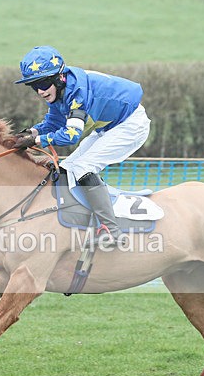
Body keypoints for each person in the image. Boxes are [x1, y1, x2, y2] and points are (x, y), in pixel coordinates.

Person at [13, 45, 151, 247]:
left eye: (43, 83)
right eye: (34, 86)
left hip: (131, 124)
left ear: (59, 78)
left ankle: (111, 230)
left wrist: (36, 141)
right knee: (67, 169)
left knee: (83, 168)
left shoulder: (76, 92)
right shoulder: (61, 91)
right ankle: (78, 221)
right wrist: (30, 133)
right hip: (111, 127)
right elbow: (53, 123)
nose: (40, 91)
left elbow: (71, 135)